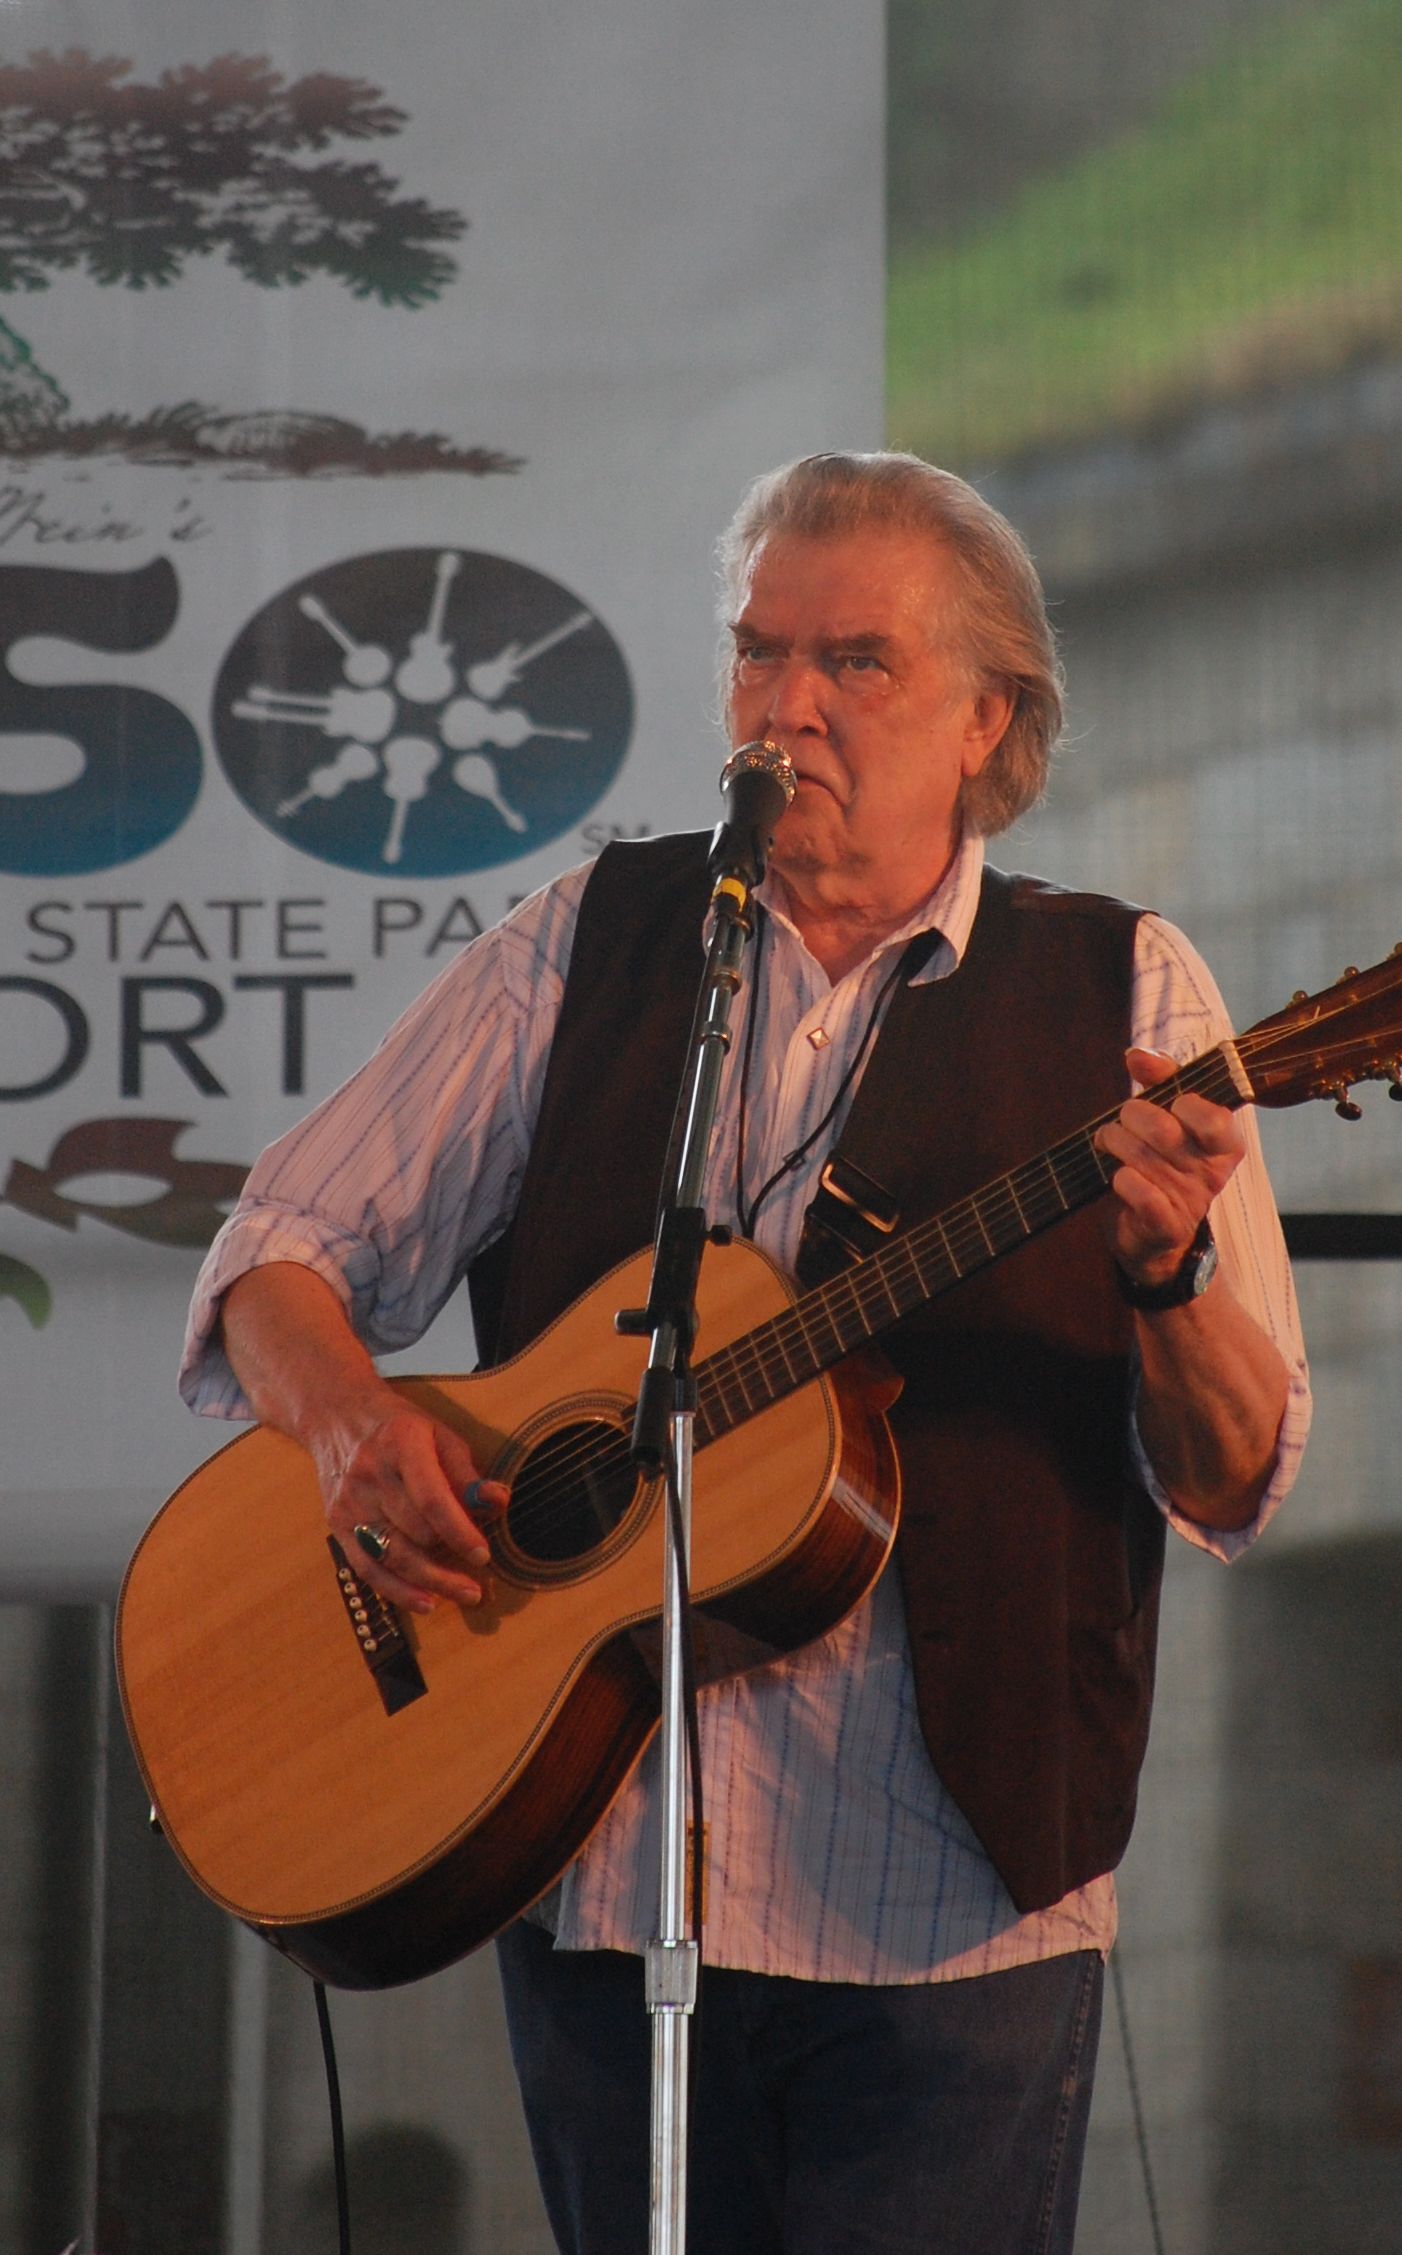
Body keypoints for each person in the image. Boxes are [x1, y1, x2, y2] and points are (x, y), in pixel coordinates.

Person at [182, 450, 1310, 2254]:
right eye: (757, 650)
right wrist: (342, 1433)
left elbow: (1241, 1473)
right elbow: (275, 1254)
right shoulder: (594, 947)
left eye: (854, 661)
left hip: (956, 1906)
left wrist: (1167, 1273)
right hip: (605, 1875)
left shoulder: (1128, 997)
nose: (787, 702)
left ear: (984, 717)